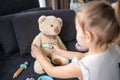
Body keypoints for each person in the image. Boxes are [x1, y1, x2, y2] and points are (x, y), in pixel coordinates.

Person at [31, 0, 120, 80]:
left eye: (77, 30)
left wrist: (39, 55)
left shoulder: (84, 67)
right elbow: (82, 55)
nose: (76, 32)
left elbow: (52, 71)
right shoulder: (114, 48)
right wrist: (60, 51)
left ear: (88, 36)